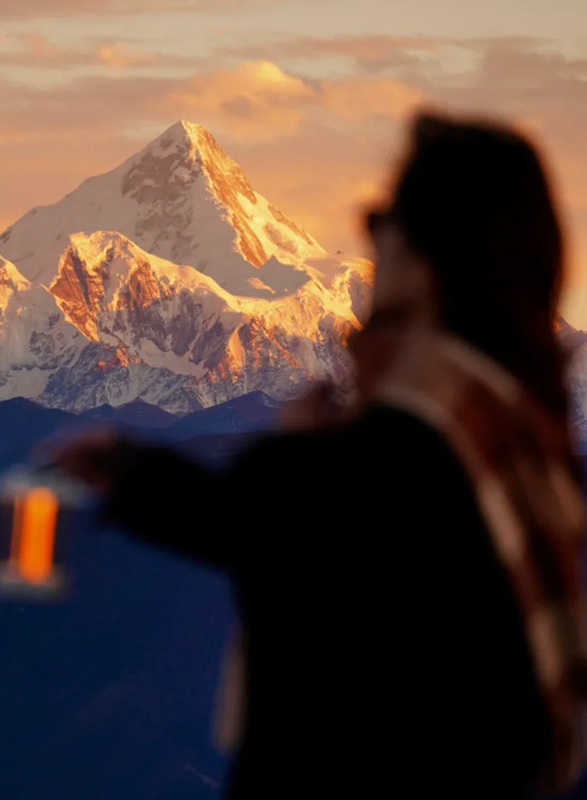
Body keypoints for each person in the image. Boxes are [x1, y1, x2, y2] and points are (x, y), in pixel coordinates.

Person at [54, 110, 587, 798]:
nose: (371, 237)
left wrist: (290, 450)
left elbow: (283, 530)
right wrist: (131, 472)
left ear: (429, 264)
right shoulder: (519, 437)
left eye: (383, 221)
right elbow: (275, 528)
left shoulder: (408, 446)